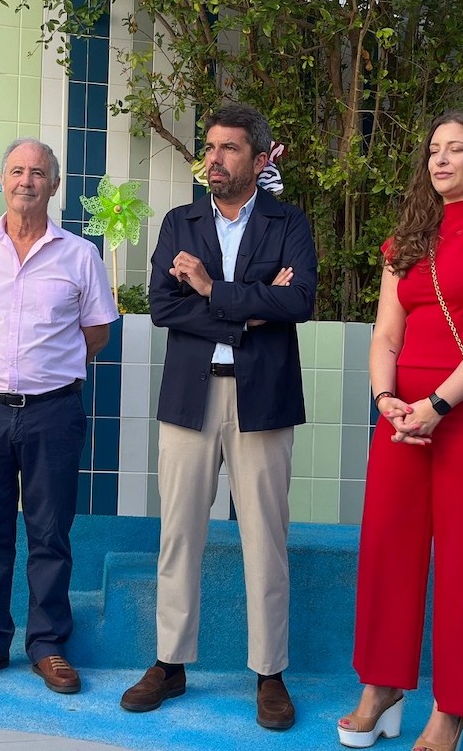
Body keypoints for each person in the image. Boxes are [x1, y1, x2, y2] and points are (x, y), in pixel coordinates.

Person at [341, 111, 463, 751]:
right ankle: (382, 684)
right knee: (386, 552)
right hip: (403, 417)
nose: (441, 159)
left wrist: (437, 403)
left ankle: (451, 708)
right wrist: (388, 399)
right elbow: (386, 335)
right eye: (433, 150)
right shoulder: (406, 240)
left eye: (457, 148)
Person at [120, 103, 317, 731]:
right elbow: (161, 307)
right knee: (179, 532)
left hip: (264, 397)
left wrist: (210, 289)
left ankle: (269, 673)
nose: (214, 158)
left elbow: (301, 301)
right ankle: (170, 664)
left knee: (266, 537)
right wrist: (252, 310)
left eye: (229, 149)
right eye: (210, 147)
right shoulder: (180, 223)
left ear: (260, 162)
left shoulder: (290, 223)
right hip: (190, 395)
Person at [0, 138, 118, 697]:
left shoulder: (80, 256)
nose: (26, 181)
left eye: (38, 173)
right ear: (3, 180)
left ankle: (48, 645)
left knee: (50, 532)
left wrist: (44, 371)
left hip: (53, 413)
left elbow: (96, 334)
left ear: (54, 185)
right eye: (16, 171)